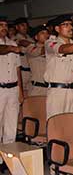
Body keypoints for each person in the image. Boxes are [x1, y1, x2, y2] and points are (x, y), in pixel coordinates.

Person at [44, 15, 73, 119]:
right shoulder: (50, 43)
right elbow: (62, 49)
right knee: (56, 125)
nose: (71, 27)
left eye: (71, 25)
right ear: (57, 29)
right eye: (66, 25)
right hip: (58, 91)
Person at [0, 16, 23, 149]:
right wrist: (11, 48)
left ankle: (8, 157)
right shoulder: (12, 46)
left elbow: (17, 68)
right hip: (0, 89)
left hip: (13, 88)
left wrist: (20, 90)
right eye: (0, 25)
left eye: (5, 25)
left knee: (11, 124)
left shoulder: (13, 44)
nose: (4, 27)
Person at [13, 17, 34, 95]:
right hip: (22, 72)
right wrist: (36, 46)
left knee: (30, 96)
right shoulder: (14, 38)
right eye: (22, 25)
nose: (25, 27)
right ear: (17, 27)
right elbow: (23, 42)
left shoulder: (30, 38)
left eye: (26, 25)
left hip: (31, 71)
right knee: (22, 95)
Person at [26, 25, 49, 96]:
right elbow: (41, 51)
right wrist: (52, 44)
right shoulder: (31, 48)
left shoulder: (51, 49)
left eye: (47, 33)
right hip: (37, 88)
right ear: (36, 37)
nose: (46, 35)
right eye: (42, 33)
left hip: (50, 88)